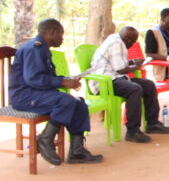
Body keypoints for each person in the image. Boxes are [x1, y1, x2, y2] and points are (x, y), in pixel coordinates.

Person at [8, 18, 101, 165]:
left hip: (37, 94)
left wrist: (67, 80)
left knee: (79, 104)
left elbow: (45, 77)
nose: (62, 38)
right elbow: (33, 79)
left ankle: (77, 152)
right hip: (24, 97)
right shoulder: (35, 49)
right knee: (67, 101)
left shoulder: (42, 48)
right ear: (52, 32)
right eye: (61, 34)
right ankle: (45, 139)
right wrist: (62, 82)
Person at [90, 26, 169, 143]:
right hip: (104, 82)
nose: (133, 44)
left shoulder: (119, 40)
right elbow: (120, 69)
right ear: (128, 39)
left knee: (149, 85)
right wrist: (137, 66)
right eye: (133, 42)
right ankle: (132, 131)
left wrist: (133, 62)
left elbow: (118, 63)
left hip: (115, 78)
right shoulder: (116, 43)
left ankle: (152, 123)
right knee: (135, 89)